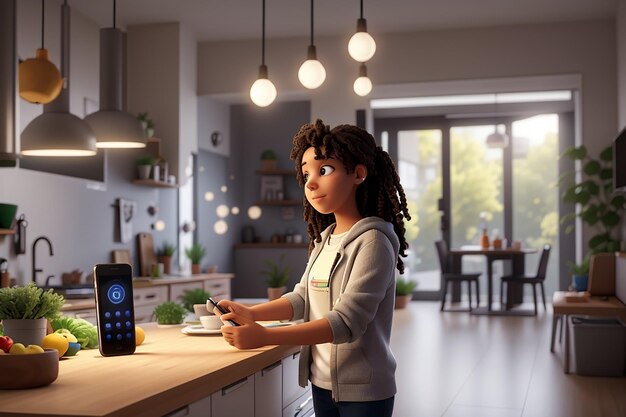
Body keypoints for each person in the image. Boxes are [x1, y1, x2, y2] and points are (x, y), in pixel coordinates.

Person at [216, 119, 410, 417]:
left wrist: (265, 336)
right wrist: (251, 313)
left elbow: (347, 322)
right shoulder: (326, 239)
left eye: (324, 170)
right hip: (322, 383)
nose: (310, 182)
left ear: (358, 174)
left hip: (363, 391)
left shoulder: (373, 242)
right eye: (306, 173)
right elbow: (303, 298)